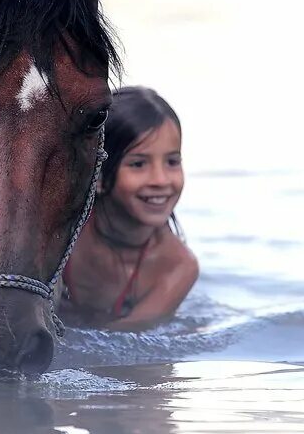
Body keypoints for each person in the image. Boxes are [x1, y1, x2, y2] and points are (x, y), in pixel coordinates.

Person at [60, 86, 199, 329]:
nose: (161, 179)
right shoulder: (61, 230)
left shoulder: (177, 267)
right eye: (138, 164)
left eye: (172, 162)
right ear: (98, 175)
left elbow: (121, 341)